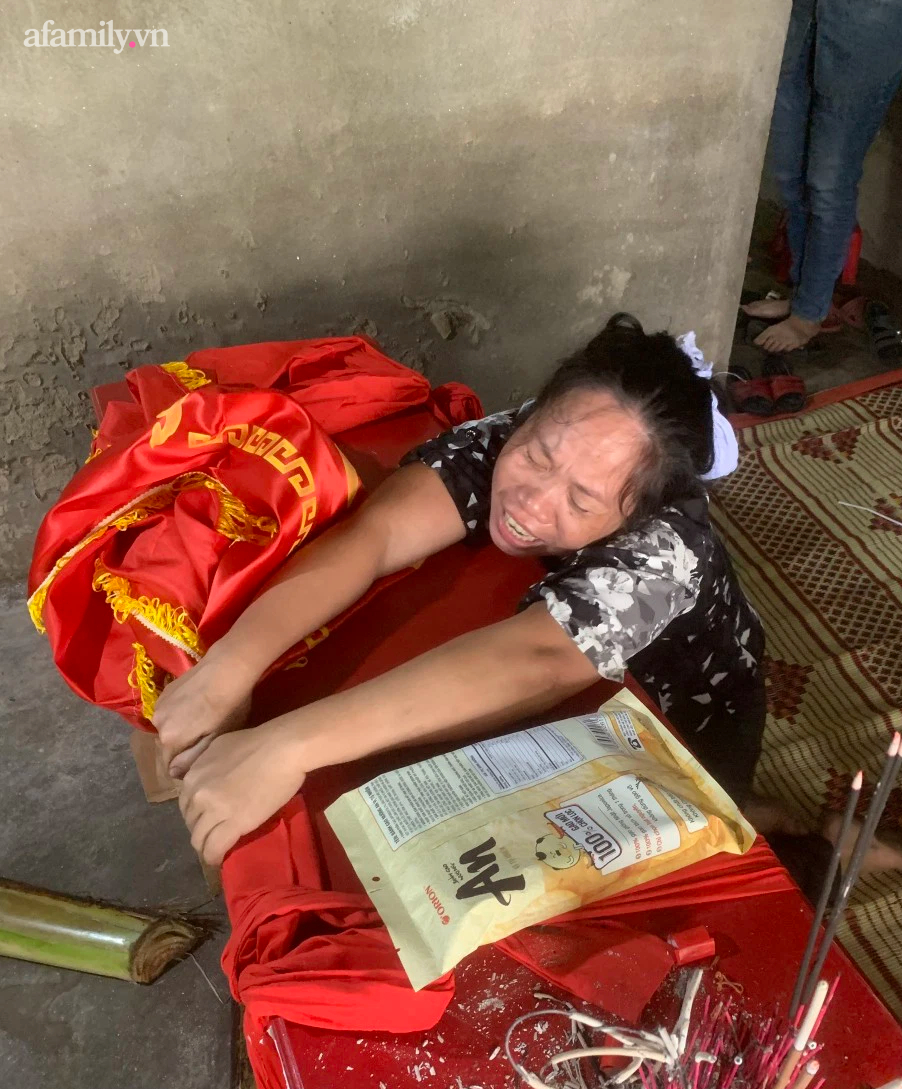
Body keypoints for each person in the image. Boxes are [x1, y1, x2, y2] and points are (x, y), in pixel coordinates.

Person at [153, 314, 765, 867]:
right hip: (569, 677)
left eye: (581, 501)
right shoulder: (532, 434)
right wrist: (229, 668)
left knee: (694, 846)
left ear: (639, 514)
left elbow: (538, 658)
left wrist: (286, 747)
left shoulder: (668, 550)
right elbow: (380, 535)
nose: (532, 499)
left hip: (682, 717)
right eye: (537, 456)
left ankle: (775, 825)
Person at [744, 0, 902, 353]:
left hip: (872, 28)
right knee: (789, 171)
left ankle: (809, 314)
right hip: (804, 18)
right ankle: (802, 291)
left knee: (828, 180)